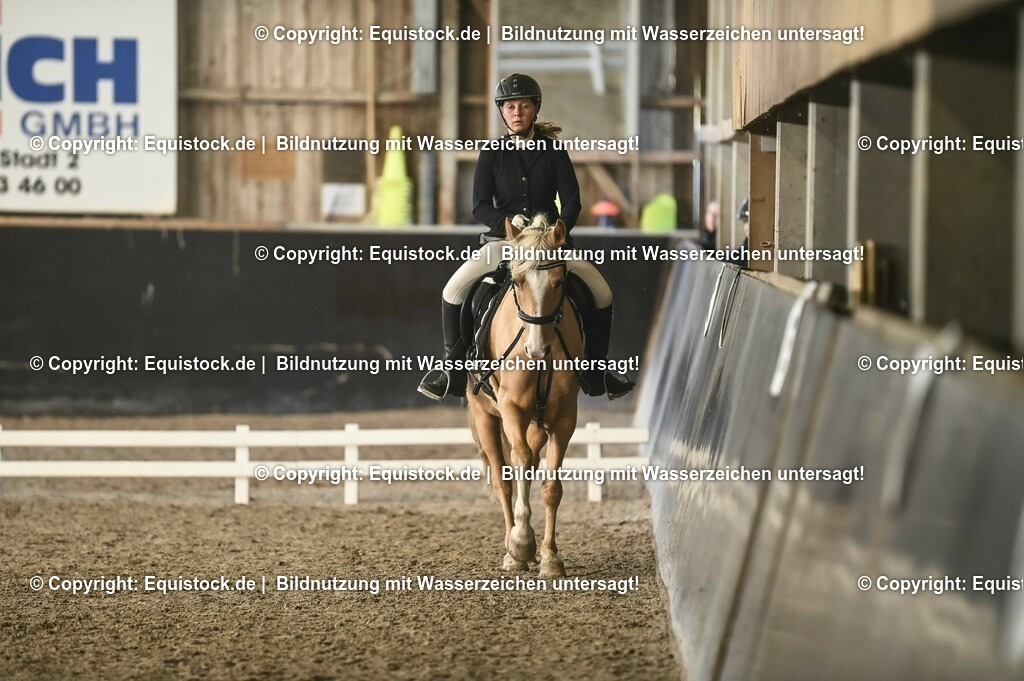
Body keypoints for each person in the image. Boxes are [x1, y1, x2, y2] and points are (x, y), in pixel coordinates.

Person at [417, 73, 634, 402]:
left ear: (535, 110)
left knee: (602, 293)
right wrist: (506, 222)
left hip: (547, 247)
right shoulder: (491, 153)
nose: (516, 112)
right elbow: (478, 205)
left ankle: (596, 369)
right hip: (503, 245)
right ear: (502, 112)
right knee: (452, 290)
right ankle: (452, 369)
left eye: (523, 106)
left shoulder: (553, 151)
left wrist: (557, 231)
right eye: (510, 107)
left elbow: (572, 201)